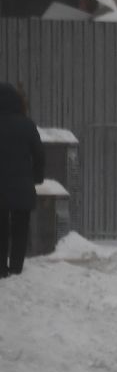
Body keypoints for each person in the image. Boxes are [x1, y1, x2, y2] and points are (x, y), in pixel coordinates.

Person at [0, 83, 46, 278]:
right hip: (22, 186)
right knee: (20, 227)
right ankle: (17, 267)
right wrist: (36, 177)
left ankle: (1, 268)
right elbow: (39, 154)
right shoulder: (27, 124)